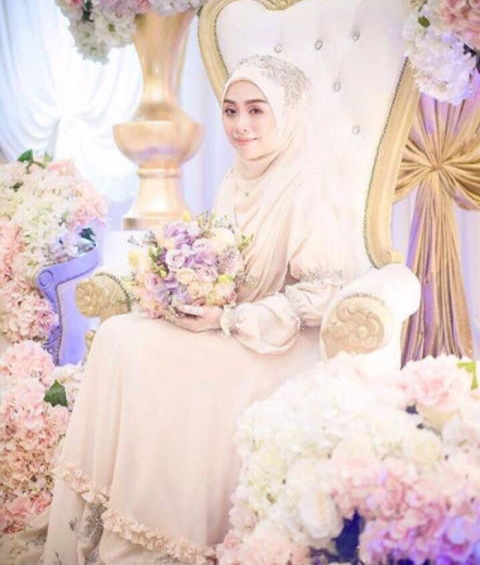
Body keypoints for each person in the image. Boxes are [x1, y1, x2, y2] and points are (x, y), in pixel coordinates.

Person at [0, 55, 343, 564]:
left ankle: (156, 537)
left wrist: (230, 317)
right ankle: (96, 518)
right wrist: (182, 287)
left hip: (277, 341)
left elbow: (321, 293)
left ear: (287, 114)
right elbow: (225, 261)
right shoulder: (235, 177)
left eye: (256, 110)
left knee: (148, 354)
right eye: (230, 110)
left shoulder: (306, 184)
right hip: (224, 323)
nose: (240, 125)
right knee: (117, 335)